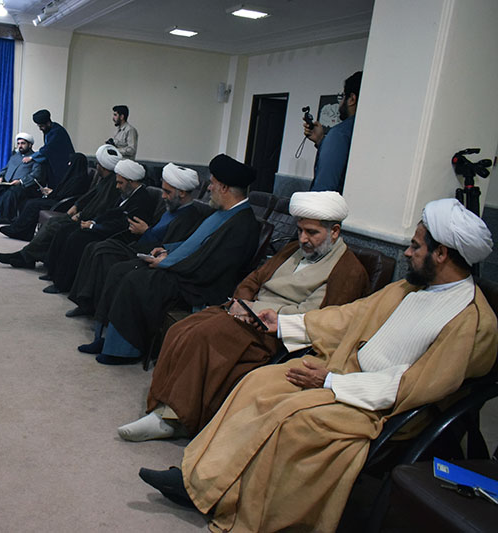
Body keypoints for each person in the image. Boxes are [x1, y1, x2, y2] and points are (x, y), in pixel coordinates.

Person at [138, 197, 497, 533]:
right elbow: (349, 316)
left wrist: (332, 382)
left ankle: (239, 506)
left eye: (416, 247)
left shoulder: (472, 321)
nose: (406, 252)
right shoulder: (409, 288)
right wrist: (285, 324)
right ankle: (199, 482)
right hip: (341, 371)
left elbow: (419, 386)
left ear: (441, 253)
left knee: (294, 419)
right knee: (259, 383)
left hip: (380, 406)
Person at [117, 191, 369, 441]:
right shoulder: (294, 249)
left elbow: (317, 318)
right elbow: (254, 279)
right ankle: (162, 405)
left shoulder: (347, 271)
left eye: (312, 232)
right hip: (247, 312)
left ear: (334, 231)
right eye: (300, 230)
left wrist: (255, 310)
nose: (303, 239)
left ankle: (173, 419)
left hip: (276, 332)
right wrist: (243, 302)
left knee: (204, 336)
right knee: (181, 329)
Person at [85, 154, 260, 365]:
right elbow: (195, 243)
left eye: (212, 183)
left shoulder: (244, 224)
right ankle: (104, 338)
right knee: (122, 269)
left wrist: (168, 263)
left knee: (136, 279)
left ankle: (124, 351)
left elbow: (215, 264)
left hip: (200, 284)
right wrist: (167, 250)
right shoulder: (224, 212)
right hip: (189, 269)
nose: (208, 188)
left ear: (224, 188)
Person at [66, 163, 206, 317]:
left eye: (167, 192)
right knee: (93, 247)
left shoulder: (188, 217)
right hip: (140, 245)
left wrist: (145, 231)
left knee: (103, 252)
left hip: (148, 253)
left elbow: (166, 247)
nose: (163, 196)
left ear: (182, 193)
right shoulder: (172, 208)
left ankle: (96, 311)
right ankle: (84, 302)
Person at [0, 144, 122, 269]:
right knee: (52, 222)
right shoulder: (105, 181)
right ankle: (26, 255)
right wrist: (76, 206)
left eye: (98, 164)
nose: (96, 166)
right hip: (77, 212)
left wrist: (80, 215)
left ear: (103, 166)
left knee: (55, 225)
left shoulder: (111, 185)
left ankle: (25, 256)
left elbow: (99, 206)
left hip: (87, 219)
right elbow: (88, 198)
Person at [42, 159, 159, 294]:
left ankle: (63, 283)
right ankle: (53, 272)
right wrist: (93, 222)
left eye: (120, 183)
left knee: (77, 238)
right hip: (104, 227)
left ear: (131, 182)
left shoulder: (142, 200)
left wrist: (94, 227)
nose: (117, 186)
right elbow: (109, 213)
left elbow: (122, 225)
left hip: (117, 236)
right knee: (65, 229)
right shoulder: (126, 193)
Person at [0, 153, 92, 241]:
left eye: (71, 162)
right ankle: (23, 231)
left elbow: (67, 195)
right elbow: (62, 192)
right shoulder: (73, 176)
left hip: (62, 204)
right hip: (58, 200)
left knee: (33, 204)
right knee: (28, 202)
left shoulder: (79, 180)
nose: (68, 164)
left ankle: (19, 231)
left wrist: (51, 194)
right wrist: (51, 191)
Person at [304, 71, 362, 193]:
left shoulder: (340, 134)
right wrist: (321, 141)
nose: (340, 102)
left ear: (352, 99)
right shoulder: (373, 132)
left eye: (342, 96)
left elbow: (323, 191)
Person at [0, 132, 43, 224]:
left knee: (10, 193)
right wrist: (1, 177)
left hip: (23, 186)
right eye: (18, 143)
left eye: (23, 143)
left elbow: (36, 175)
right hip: (8, 182)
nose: (20, 146)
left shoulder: (35, 158)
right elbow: (5, 169)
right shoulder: (14, 156)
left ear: (30, 145)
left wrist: (20, 181)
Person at [27, 109, 75, 188]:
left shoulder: (57, 132)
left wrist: (31, 157)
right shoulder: (49, 130)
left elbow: (47, 149)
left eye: (41, 126)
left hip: (62, 166)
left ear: (48, 123)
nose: (40, 129)